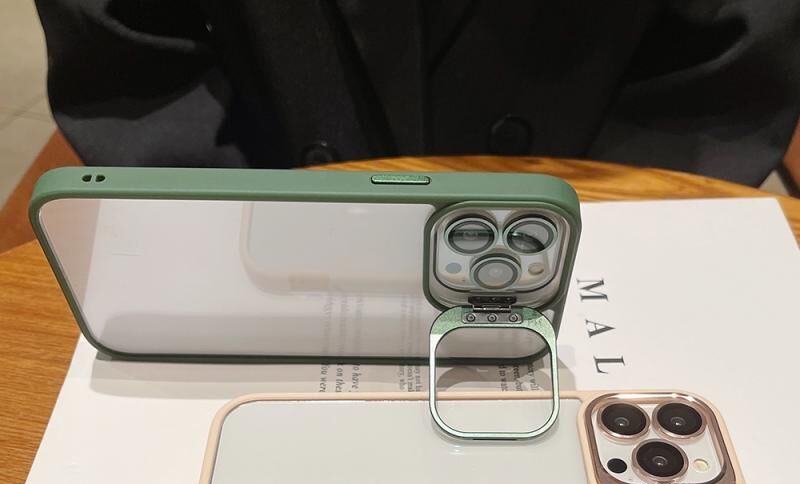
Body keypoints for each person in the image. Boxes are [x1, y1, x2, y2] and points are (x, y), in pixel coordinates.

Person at [35, 0, 800, 186]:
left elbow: (728, 62)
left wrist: (620, 236)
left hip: (603, 208)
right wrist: (247, 228)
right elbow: (129, 60)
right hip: (264, 198)